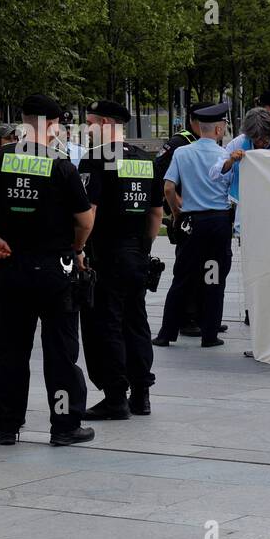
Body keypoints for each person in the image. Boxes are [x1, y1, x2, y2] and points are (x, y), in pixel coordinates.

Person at [0, 94, 95, 446]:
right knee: (60, 352)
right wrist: (77, 248)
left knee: (11, 350)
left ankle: (7, 425)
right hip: (53, 268)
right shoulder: (61, 165)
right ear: (50, 125)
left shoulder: (2, 158)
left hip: (11, 265)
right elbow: (85, 218)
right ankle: (64, 426)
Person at [78, 100, 163, 420]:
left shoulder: (95, 159)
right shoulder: (143, 158)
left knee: (107, 325)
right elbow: (156, 212)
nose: (87, 129)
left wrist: (79, 248)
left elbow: (89, 212)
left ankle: (115, 396)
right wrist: (143, 248)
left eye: (89, 122)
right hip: (135, 253)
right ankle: (142, 395)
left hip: (106, 252)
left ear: (102, 122)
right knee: (136, 322)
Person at [154, 101, 233, 348]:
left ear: (198, 126)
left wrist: (177, 213)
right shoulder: (226, 157)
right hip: (218, 222)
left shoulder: (182, 152)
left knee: (182, 277)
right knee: (213, 277)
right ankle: (210, 334)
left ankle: (166, 334)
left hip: (191, 221)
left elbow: (168, 187)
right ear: (219, 130)